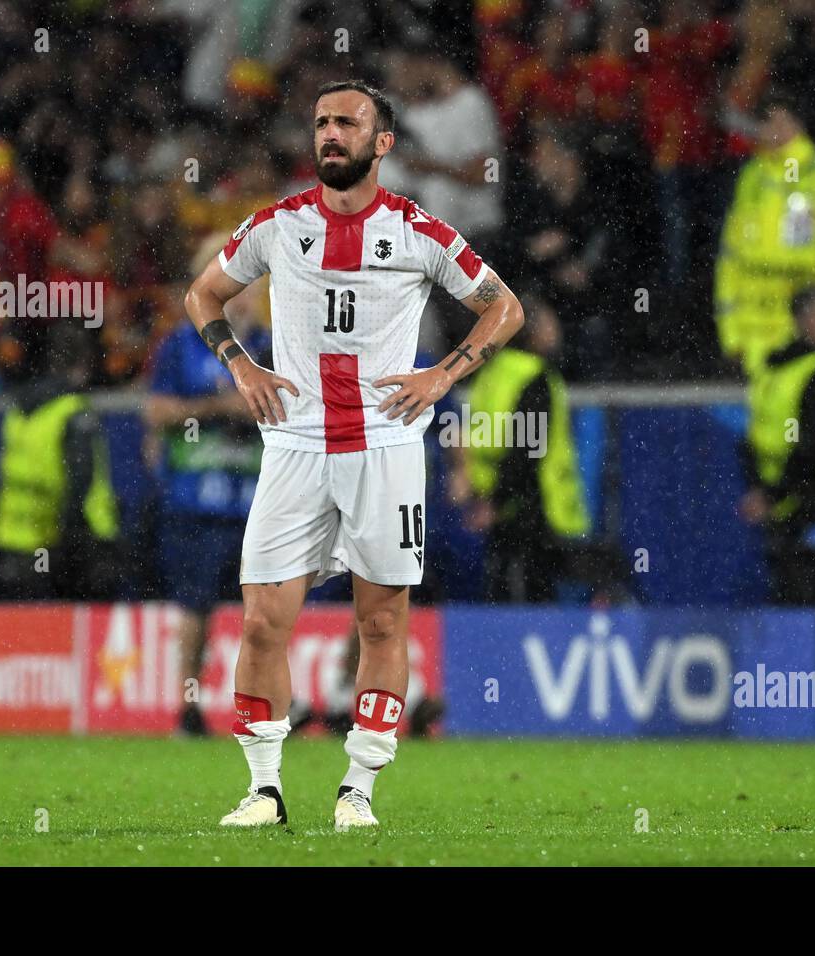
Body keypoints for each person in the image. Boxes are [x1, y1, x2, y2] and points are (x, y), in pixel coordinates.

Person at [183, 80, 524, 831]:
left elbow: (506, 307)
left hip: (387, 445)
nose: (330, 133)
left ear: (383, 143)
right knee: (265, 619)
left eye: (347, 122)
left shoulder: (418, 231)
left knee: (381, 623)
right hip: (295, 444)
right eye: (321, 122)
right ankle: (264, 790)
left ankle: (358, 789)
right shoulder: (277, 226)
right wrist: (240, 365)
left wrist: (444, 374)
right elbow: (202, 295)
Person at [146, 232, 273, 737]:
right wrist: (219, 408)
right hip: (195, 500)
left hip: (258, 502)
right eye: (230, 283)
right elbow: (156, 411)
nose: (241, 294)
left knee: (264, 613)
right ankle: (189, 707)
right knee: (194, 607)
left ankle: (262, 707)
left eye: (248, 283)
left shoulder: (273, 344)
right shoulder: (179, 346)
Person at [715, 90, 815, 378]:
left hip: (807, 324)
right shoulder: (753, 175)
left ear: (792, 124)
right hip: (755, 331)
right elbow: (731, 256)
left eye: (772, 123)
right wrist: (730, 332)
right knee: (767, 418)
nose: (766, 132)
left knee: (809, 412)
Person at [464, 292, 591, 603]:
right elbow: (526, 451)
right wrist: (499, 502)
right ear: (532, 332)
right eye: (549, 322)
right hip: (534, 511)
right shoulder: (534, 378)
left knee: (500, 598)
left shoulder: (491, 373)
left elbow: (479, 441)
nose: (556, 329)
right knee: (534, 607)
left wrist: (486, 500)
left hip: (495, 508)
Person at [740, 286, 815, 605]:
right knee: (814, 604)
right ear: (809, 319)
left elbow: (755, 435)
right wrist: (772, 494)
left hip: (780, 504)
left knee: (788, 600)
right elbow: (810, 445)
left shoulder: (774, 368)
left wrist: (763, 490)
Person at [0, 324, 122, 601]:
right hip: (68, 545)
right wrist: (77, 544)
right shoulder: (73, 413)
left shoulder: (18, 409)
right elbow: (81, 482)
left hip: (14, 536)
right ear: (83, 362)